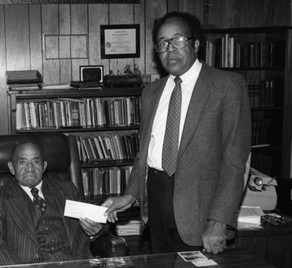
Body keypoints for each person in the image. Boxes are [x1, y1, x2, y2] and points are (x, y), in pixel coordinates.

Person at [103, 11, 251, 254]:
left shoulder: (228, 87)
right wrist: (130, 195)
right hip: (156, 207)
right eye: (162, 44)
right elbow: (145, 154)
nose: (170, 49)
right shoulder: (151, 92)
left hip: (201, 214)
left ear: (196, 44)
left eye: (178, 41)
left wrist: (219, 221)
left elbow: (236, 163)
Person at [0, 142, 102, 266]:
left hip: (73, 267)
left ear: (44, 166)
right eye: (22, 162)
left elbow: (95, 219)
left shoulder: (67, 190)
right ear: (12, 168)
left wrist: (94, 230)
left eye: (36, 162)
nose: (30, 168)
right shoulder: (0, 197)